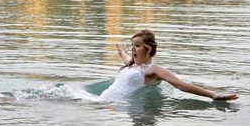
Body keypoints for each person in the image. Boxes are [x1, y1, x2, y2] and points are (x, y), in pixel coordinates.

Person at [100, 29, 238, 101]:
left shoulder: (153, 70)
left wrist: (212, 95)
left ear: (148, 49)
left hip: (113, 105)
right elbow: (126, 57)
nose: (132, 49)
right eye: (132, 45)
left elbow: (180, 85)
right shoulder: (132, 64)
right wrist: (120, 51)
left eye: (137, 46)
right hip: (103, 100)